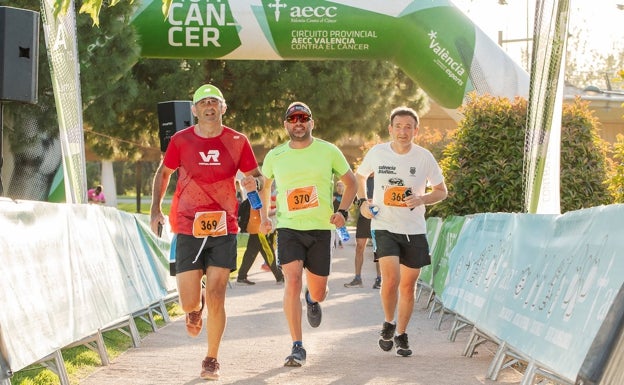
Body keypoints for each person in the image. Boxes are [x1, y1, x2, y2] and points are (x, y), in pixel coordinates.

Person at [150, 84, 266, 380]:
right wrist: (155, 208)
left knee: (217, 294)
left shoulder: (238, 141)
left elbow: (256, 176)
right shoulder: (180, 140)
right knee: (190, 301)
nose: (209, 106)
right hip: (188, 226)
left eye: (215, 102)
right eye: (204, 103)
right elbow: (164, 173)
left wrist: (257, 185)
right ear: (195, 110)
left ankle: (211, 358)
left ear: (223, 108)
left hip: (223, 226)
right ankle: (193, 307)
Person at [260, 102, 357, 367]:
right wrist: (263, 218)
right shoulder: (275, 155)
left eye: (303, 118)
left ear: (312, 122)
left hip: (320, 229)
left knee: (319, 290)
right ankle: (297, 346)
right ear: (286, 125)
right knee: (291, 281)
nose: (298, 122)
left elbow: (352, 183)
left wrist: (343, 212)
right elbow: (264, 184)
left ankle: (312, 299)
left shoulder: (329, 151)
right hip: (289, 228)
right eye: (293, 118)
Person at [356, 106, 447, 358]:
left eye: (408, 127)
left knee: (408, 286)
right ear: (390, 129)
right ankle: (388, 321)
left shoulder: (424, 157)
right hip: (384, 225)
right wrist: (364, 202)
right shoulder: (377, 153)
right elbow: (360, 176)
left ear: (416, 130)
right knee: (391, 279)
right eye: (398, 126)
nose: (403, 131)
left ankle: (402, 333)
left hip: (414, 229)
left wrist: (421, 199)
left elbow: (442, 191)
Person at [344, 175, 382, 289]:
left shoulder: (382, 177)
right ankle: (357, 278)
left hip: (378, 216)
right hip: (363, 216)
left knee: (378, 249)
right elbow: (354, 196)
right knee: (359, 247)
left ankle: (379, 279)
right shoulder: (361, 179)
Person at [236, 196, 284, 285]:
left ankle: (241, 277)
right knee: (268, 253)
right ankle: (279, 277)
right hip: (259, 230)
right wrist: (276, 211)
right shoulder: (258, 197)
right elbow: (261, 214)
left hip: (255, 229)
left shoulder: (253, 196)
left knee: (250, 254)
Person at [332, 180, 345, 248]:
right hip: (334, 213)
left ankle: (340, 241)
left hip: (342, 214)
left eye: (341, 185)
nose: (340, 187)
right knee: (334, 228)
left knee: (341, 227)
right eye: (339, 186)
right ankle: (334, 241)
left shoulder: (344, 195)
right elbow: (331, 203)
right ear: (336, 187)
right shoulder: (334, 194)